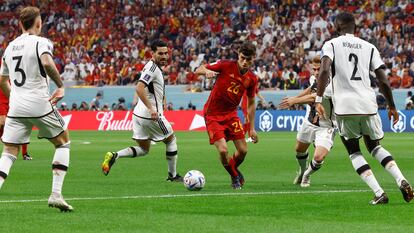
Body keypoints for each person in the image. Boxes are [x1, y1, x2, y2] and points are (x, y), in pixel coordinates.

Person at [315, 12, 413, 205]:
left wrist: (318, 99)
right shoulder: (370, 47)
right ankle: (401, 179)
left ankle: (379, 193)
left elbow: (325, 69)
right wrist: (392, 106)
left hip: (345, 107)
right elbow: (383, 79)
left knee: (354, 151)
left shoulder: (331, 44)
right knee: (375, 147)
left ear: (337, 27)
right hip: (368, 104)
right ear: (355, 27)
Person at [0, 7, 72, 211]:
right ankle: (56, 194)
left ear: (20, 24)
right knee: (63, 142)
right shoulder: (41, 42)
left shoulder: (10, 47)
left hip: (16, 106)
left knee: (9, 152)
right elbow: (48, 63)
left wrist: (14, 95)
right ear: (38, 24)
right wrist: (60, 85)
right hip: (39, 102)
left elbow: (2, 81)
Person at [102, 40, 183, 182]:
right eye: (160, 53)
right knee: (171, 140)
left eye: (166, 53)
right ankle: (173, 175)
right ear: (153, 53)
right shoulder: (152, 69)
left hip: (138, 114)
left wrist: (163, 100)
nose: (164, 56)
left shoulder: (152, 67)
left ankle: (115, 155)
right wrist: (152, 109)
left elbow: (152, 88)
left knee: (144, 149)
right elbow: (139, 88)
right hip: (150, 115)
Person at [195, 42, 259, 189]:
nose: (244, 62)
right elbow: (199, 69)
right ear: (238, 55)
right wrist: (207, 72)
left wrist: (252, 128)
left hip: (231, 115)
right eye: (242, 58)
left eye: (248, 60)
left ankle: (233, 170)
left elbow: (250, 103)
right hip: (213, 114)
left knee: (243, 151)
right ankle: (235, 176)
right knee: (223, 150)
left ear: (253, 59)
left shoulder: (252, 79)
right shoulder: (224, 65)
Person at [279, 56, 335, 187]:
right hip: (310, 122)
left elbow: (314, 97)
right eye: (314, 69)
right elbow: (311, 89)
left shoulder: (333, 84)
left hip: (326, 126)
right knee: (299, 149)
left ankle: (307, 175)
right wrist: (295, 97)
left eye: (318, 70)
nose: (316, 73)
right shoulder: (314, 78)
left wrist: (294, 101)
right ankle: (302, 170)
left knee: (318, 157)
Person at [0, 87, 32, 160]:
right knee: (2, 124)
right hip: (2, 103)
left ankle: (25, 153)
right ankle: (7, 140)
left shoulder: (14, 77)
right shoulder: (3, 77)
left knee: (23, 125)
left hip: (15, 103)